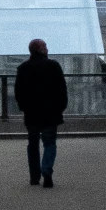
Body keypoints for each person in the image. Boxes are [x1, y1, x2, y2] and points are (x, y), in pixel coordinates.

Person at [15, 37, 67, 188]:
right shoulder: (53, 66)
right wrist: (61, 107)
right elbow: (61, 89)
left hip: (31, 113)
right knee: (50, 143)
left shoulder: (23, 68)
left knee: (33, 144)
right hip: (51, 112)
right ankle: (47, 170)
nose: (47, 49)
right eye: (45, 46)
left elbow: (18, 92)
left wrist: (23, 107)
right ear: (40, 50)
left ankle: (34, 176)